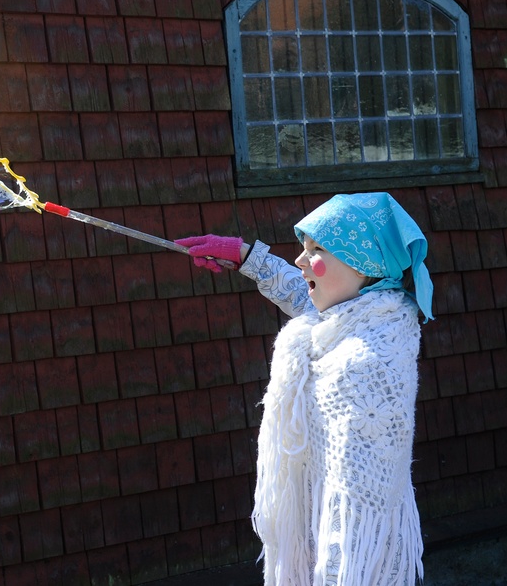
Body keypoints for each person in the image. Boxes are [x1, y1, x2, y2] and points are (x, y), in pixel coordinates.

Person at [177, 192, 433, 586]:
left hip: (351, 568)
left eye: (316, 249)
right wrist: (245, 256)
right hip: (314, 541)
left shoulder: (370, 361)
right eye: (303, 247)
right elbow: (305, 295)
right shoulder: (357, 316)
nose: (300, 260)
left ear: (362, 263)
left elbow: (358, 508)